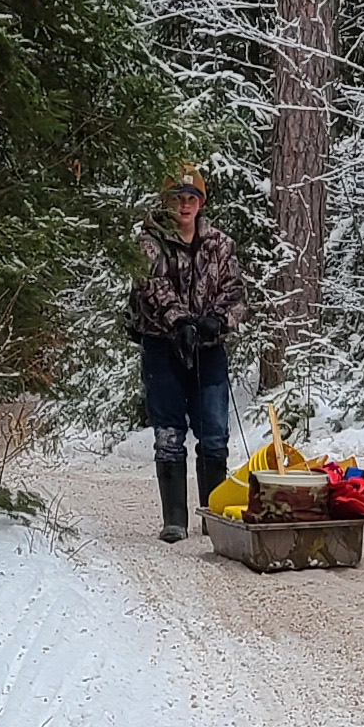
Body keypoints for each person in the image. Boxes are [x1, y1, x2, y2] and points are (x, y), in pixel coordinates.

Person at [126, 164, 247, 542]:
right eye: (178, 198)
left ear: (201, 203)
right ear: (167, 202)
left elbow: (237, 295)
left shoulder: (220, 244)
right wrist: (180, 323)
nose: (184, 205)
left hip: (209, 349)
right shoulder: (149, 241)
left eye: (191, 198)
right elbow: (152, 287)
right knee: (169, 433)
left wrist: (217, 321)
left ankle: (214, 517)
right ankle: (174, 520)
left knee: (214, 434)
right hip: (163, 345)